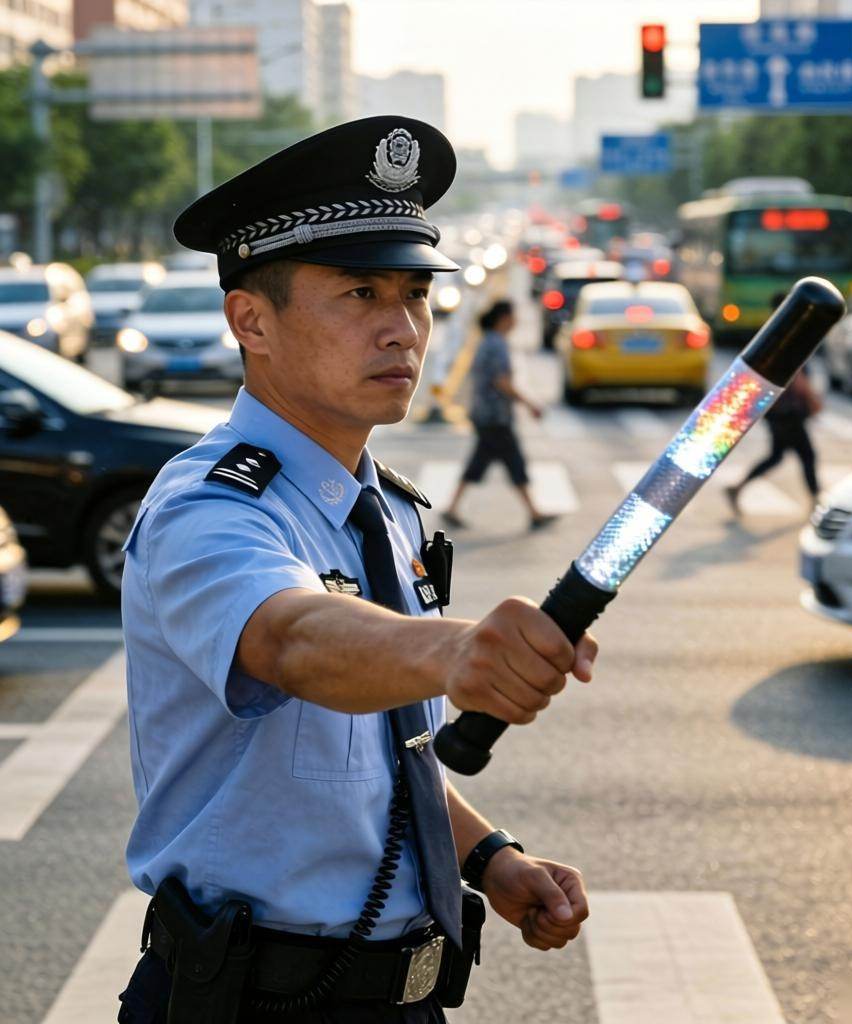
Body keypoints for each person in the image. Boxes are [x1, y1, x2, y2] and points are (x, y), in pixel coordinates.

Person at [117, 117, 597, 1024]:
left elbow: (381, 759)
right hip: (249, 1003)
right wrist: (458, 650)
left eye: (415, 294)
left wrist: (493, 859)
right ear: (250, 320)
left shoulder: (391, 509)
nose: (402, 329)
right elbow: (292, 638)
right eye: (361, 294)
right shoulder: (208, 507)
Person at [441, 299, 556, 531]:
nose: (516, 321)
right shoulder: (496, 344)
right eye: (513, 316)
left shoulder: (490, 341)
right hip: (494, 416)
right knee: (514, 462)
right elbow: (501, 381)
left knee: (481, 461)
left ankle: (452, 508)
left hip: (487, 414)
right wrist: (530, 403)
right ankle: (535, 513)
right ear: (504, 318)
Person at [725, 291, 822, 513]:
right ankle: (816, 501)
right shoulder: (792, 334)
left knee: (777, 455)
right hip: (788, 409)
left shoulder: (771, 333)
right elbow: (797, 376)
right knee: (806, 454)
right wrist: (812, 399)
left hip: (773, 407)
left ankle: (738, 488)